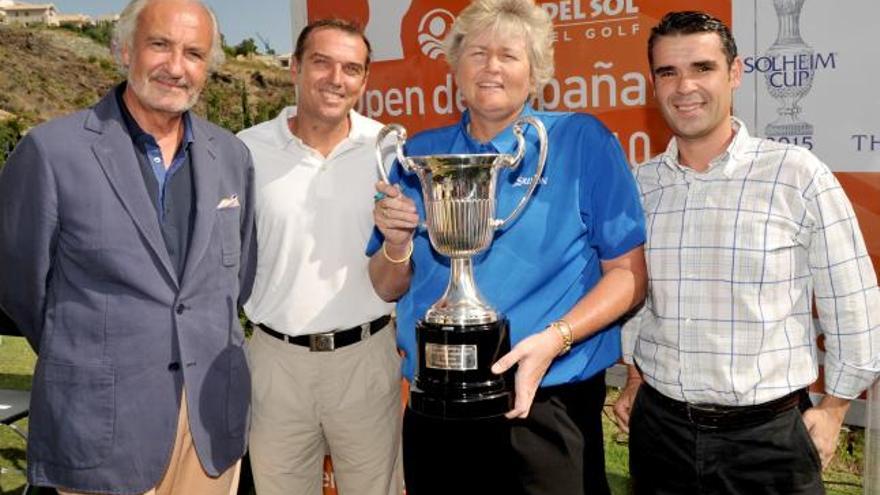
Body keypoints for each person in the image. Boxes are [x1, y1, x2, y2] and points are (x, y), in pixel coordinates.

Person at [369, 0, 647, 493]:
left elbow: (627, 274)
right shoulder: (419, 156)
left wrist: (555, 338)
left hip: (547, 401)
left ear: (536, 71)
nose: (491, 67)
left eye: (509, 55)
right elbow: (387, 286)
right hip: (440, 402)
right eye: (477, 53)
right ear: (454, 66)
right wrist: (394, 244)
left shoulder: (580, 140)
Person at [613, 10, 880, 494]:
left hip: (769, 441)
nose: (684, 86)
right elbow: (633, 294)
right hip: (660, 434)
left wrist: (837, 408)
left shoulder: (796, 175)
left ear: (734, 73)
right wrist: (634, 375)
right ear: (653, 85)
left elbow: (854, 300)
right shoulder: (640, 184)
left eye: (702, 68)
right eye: (667, 72)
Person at [0, 0, 257, 493]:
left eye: (194, 53)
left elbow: (237, 278)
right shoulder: (51, 152)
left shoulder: (231, 155)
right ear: (123, 50)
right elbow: (21, 292)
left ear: (208, 67)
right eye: (159, 45)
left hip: (207, 427)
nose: (176, 67)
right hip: (102, 428)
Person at [238, 19, 402, 495]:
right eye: (322, 62)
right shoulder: (246, 150)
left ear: (365, 80)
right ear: (295, 67)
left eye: (351, 68)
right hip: (275, 363)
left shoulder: (389, 149)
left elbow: (403, 265)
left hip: (366, 360)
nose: (336, 78)